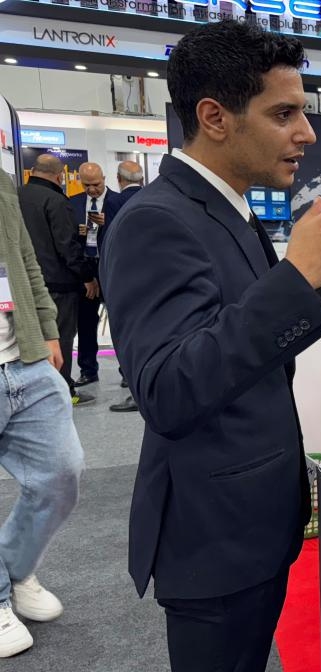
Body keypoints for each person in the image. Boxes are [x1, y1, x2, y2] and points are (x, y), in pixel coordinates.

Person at [99, 20, 321, 671]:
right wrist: (297, 280)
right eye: (285, 113)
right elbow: (166, 391)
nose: (306, 133)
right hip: (211, 541)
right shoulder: (154, 221)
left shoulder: (227, 208)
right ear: (214, 117)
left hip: (250, 526)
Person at [0, 170, 84, 658]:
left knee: (61, 474)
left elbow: (26, 260)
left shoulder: (4, 184)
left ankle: (14, 568)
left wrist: (49, 329)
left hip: (26, 356)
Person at [17, 154, 99, 406]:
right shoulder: (56, 201)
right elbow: (67, 247)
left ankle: (33, 393)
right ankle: (63, 392)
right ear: (59, 176)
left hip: (21, 284)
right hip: (58, 285)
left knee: (28, 339)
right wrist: (87, 277)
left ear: (33, 170)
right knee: (61, 337)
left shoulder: (15, 196)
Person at [68, 162, 121, 387]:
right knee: (86, 322)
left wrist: (107, 224)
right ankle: (88, 370)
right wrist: (79, 231)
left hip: (112, 268)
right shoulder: (73, 204)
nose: (92, 190)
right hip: (86, 268)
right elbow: (66, 239)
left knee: (120, 322)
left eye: (96, 184)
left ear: (105, 179)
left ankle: (127, 371)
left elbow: (127, 235)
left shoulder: (119, 202)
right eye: (87, 185)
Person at [107, 160, 144, 413]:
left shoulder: (113, 204)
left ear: (119, 180)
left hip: (124, 281)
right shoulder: (161, 199)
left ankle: (132, 385)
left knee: (129, 335)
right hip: (150, 281)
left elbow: (110, 244)